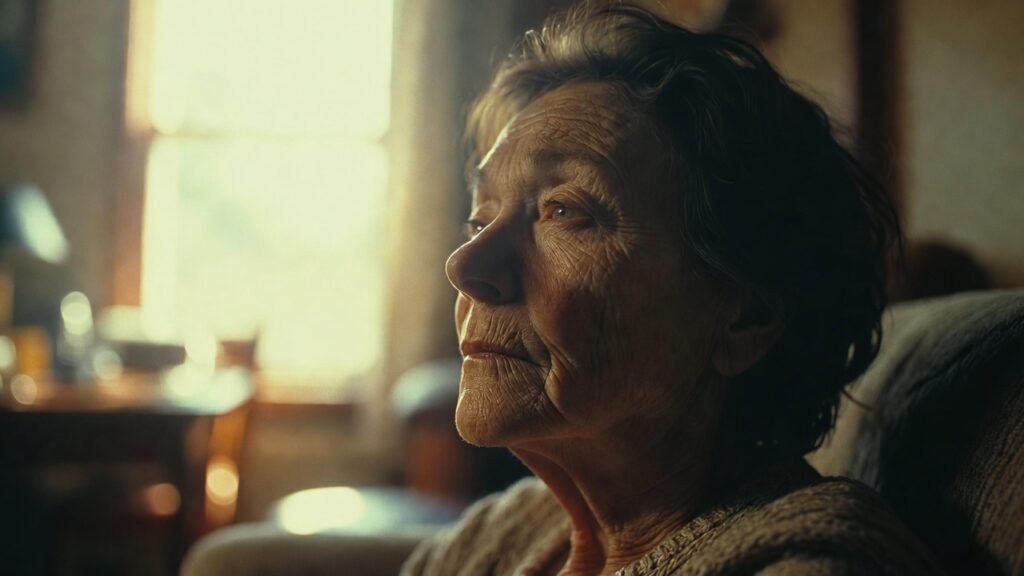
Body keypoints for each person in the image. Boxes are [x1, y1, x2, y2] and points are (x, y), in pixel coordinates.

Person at [402, 5, 940, 575]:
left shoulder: (803, 561)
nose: (465, 264)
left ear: (746, 315)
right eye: (481, 220)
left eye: (564, 210)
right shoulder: (499, 536)